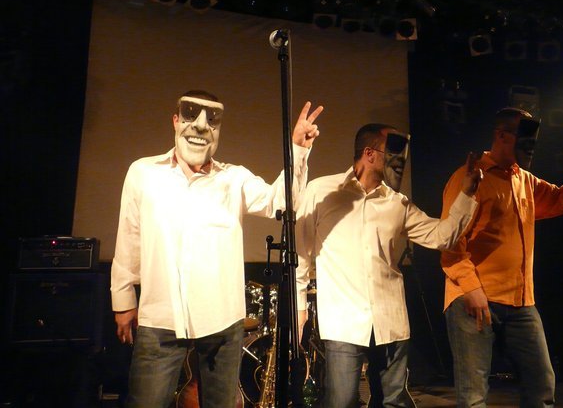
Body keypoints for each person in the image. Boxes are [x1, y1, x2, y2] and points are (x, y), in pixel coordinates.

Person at [110, 89, 323, 408]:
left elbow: (280, 201)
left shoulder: (233, 178)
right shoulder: (144, 173)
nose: (200, 126)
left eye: (211, 119)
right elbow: (130, 235)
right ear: (175, 120)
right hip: (161, 316)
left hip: (222, 320)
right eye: (189, 115)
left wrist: (298, 149)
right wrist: (123, 299)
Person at [295, 123, 483, 408]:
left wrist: (467, 194)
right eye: (393, 150)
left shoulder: (397, 203)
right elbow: (301, 254)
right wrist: (299, 310)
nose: (400, 159)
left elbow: (442, 237)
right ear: (369, 153)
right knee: (342, 402)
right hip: (344, 321)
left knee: (393, 402)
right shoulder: (321, 191)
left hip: (390, 320)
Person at [441, 108, 563, 408]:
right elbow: (450, 242)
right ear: (502, 136)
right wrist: (471, 288)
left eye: (533, 142)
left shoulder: (524, 180)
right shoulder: (470, 177)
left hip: (520, 303)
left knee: (541, 386)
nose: (531, 147)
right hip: (473, 300)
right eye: (525, 139)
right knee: (473, 396)